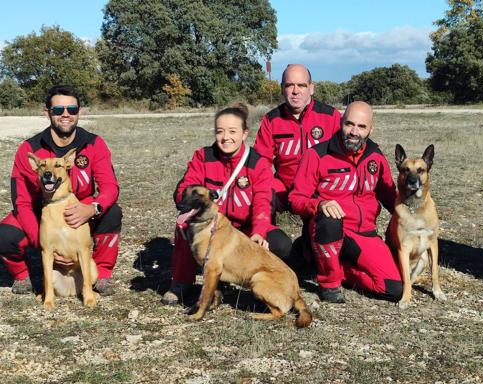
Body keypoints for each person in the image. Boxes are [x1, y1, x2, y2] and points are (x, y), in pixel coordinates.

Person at [162, 104, 293, 305]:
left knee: (280, 244)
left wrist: (259, 232)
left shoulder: (258, 162)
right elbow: (185, 187)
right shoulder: (203, 157)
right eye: (220, 131)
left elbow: (262, 201)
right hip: (213, 227)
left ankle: (244, 279)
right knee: (184, 225)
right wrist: (187, 201)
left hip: (244, 229)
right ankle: (181, 281)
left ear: (244, 133)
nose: (226, 138)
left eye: (233, 131)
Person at [0, 85, 122, 296]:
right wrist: (46, 244)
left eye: (72, 109)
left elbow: (110, 186)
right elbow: (21, 201)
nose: (65, 115)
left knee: (112, 212)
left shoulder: (94, 143)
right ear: (47, 113)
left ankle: (101, 275)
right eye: (58, 110)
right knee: (4, 234)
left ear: (79, 112)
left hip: (81, 211)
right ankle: (22, 276)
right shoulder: (29, 149)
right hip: (43, 214)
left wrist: (92, 208)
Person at [289, 101, 403, 303]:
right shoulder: (317, 154)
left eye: (361, 127)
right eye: (349, 124)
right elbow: (296, 199)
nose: (354, 132)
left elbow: (390, 197)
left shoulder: (375, 156)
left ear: (370, 129)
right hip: (329, 227)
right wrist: (319, 204)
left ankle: (333, 266)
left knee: (392, 289)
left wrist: (414, 214)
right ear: (340, 122)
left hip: (364, 233)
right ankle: (329, 283)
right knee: (329, 219)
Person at [254, 64, 342, 211]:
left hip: (322, 190)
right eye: (290, 85)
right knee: (259, 195)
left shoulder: (331, 116)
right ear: (282, 88)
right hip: (285, 190)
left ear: (311, 88)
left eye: (301, 85)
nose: (295, 91)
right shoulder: (271, 120)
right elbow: (260, 163)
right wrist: (268, 189)